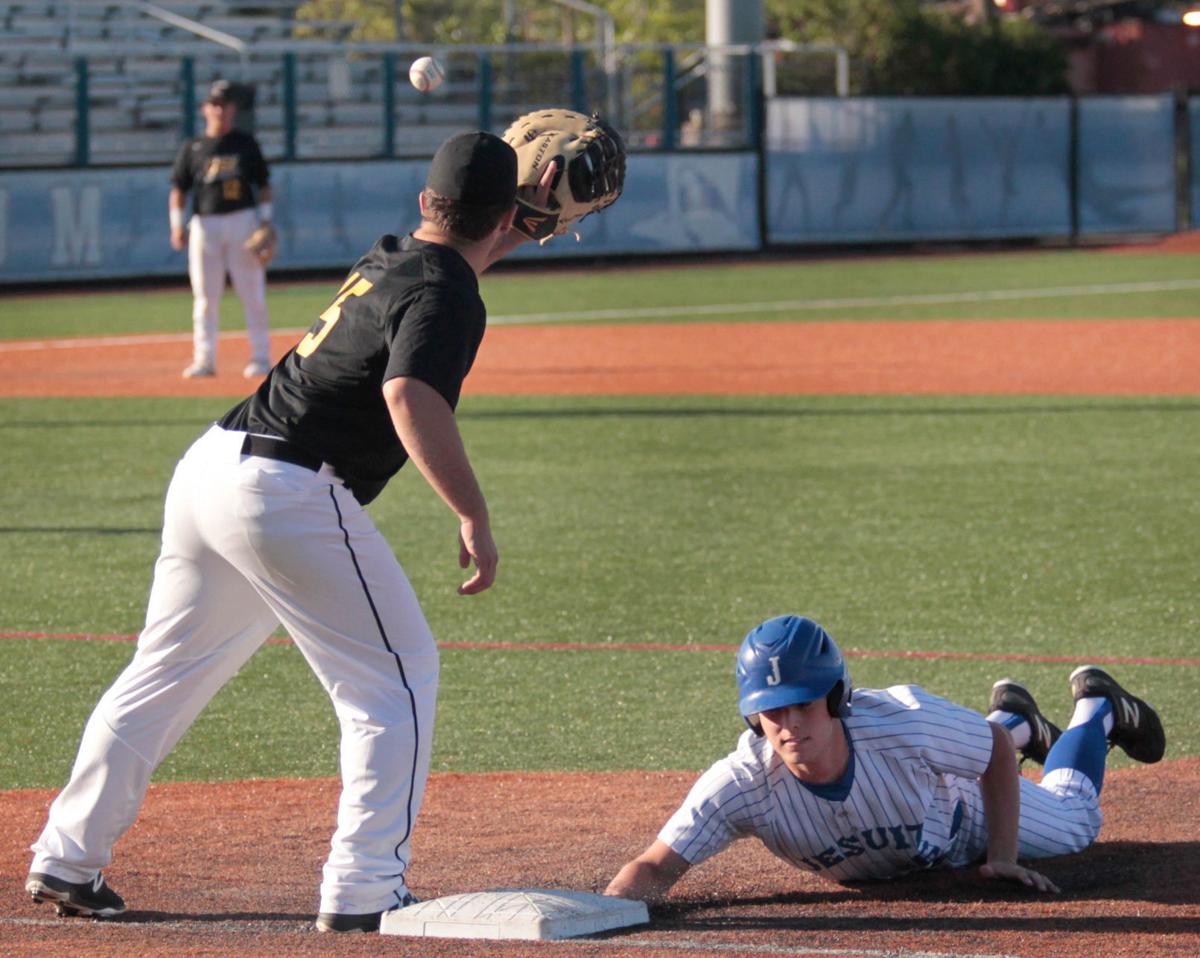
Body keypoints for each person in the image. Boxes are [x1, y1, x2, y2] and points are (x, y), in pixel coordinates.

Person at [27, 130, 556, 933]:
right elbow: (410, 394)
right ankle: (364, 884)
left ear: (425, 202)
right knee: (396, 682)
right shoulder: (448, 291)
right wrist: (472, 514)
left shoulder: (393, 255)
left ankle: (66, 855)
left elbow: (460, 254)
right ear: (504, 212)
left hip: (211, 468)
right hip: (286, 494)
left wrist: (527, 217)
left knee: (162, 676)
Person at [604, 615, 1166, 901]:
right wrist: (605, 912)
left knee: (1075, 821)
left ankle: (1097, 709)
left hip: (966, 813)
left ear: (835, 698)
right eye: (771, 712)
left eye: (802, 705)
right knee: (982, 738)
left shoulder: (901, 722)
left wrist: (1002, 853)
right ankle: (1016, 718)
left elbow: (991, 756)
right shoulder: (743, 784)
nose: (789, 724)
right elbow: (655, 866)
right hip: (930, 797)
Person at [169, 79, 274, 380]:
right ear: (205, 109)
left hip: (243, 220)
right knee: (204, 296)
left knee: (252, 292)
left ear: (232, 110)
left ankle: (260, 357)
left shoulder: (245, 143)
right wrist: (177, 225)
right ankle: (204, 360)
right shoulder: (193, 147)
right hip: (205, 223)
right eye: (214, 104)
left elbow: (263, 185)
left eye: (225, 105)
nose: (219, 110)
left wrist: (265, 221)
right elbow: (179, 189)